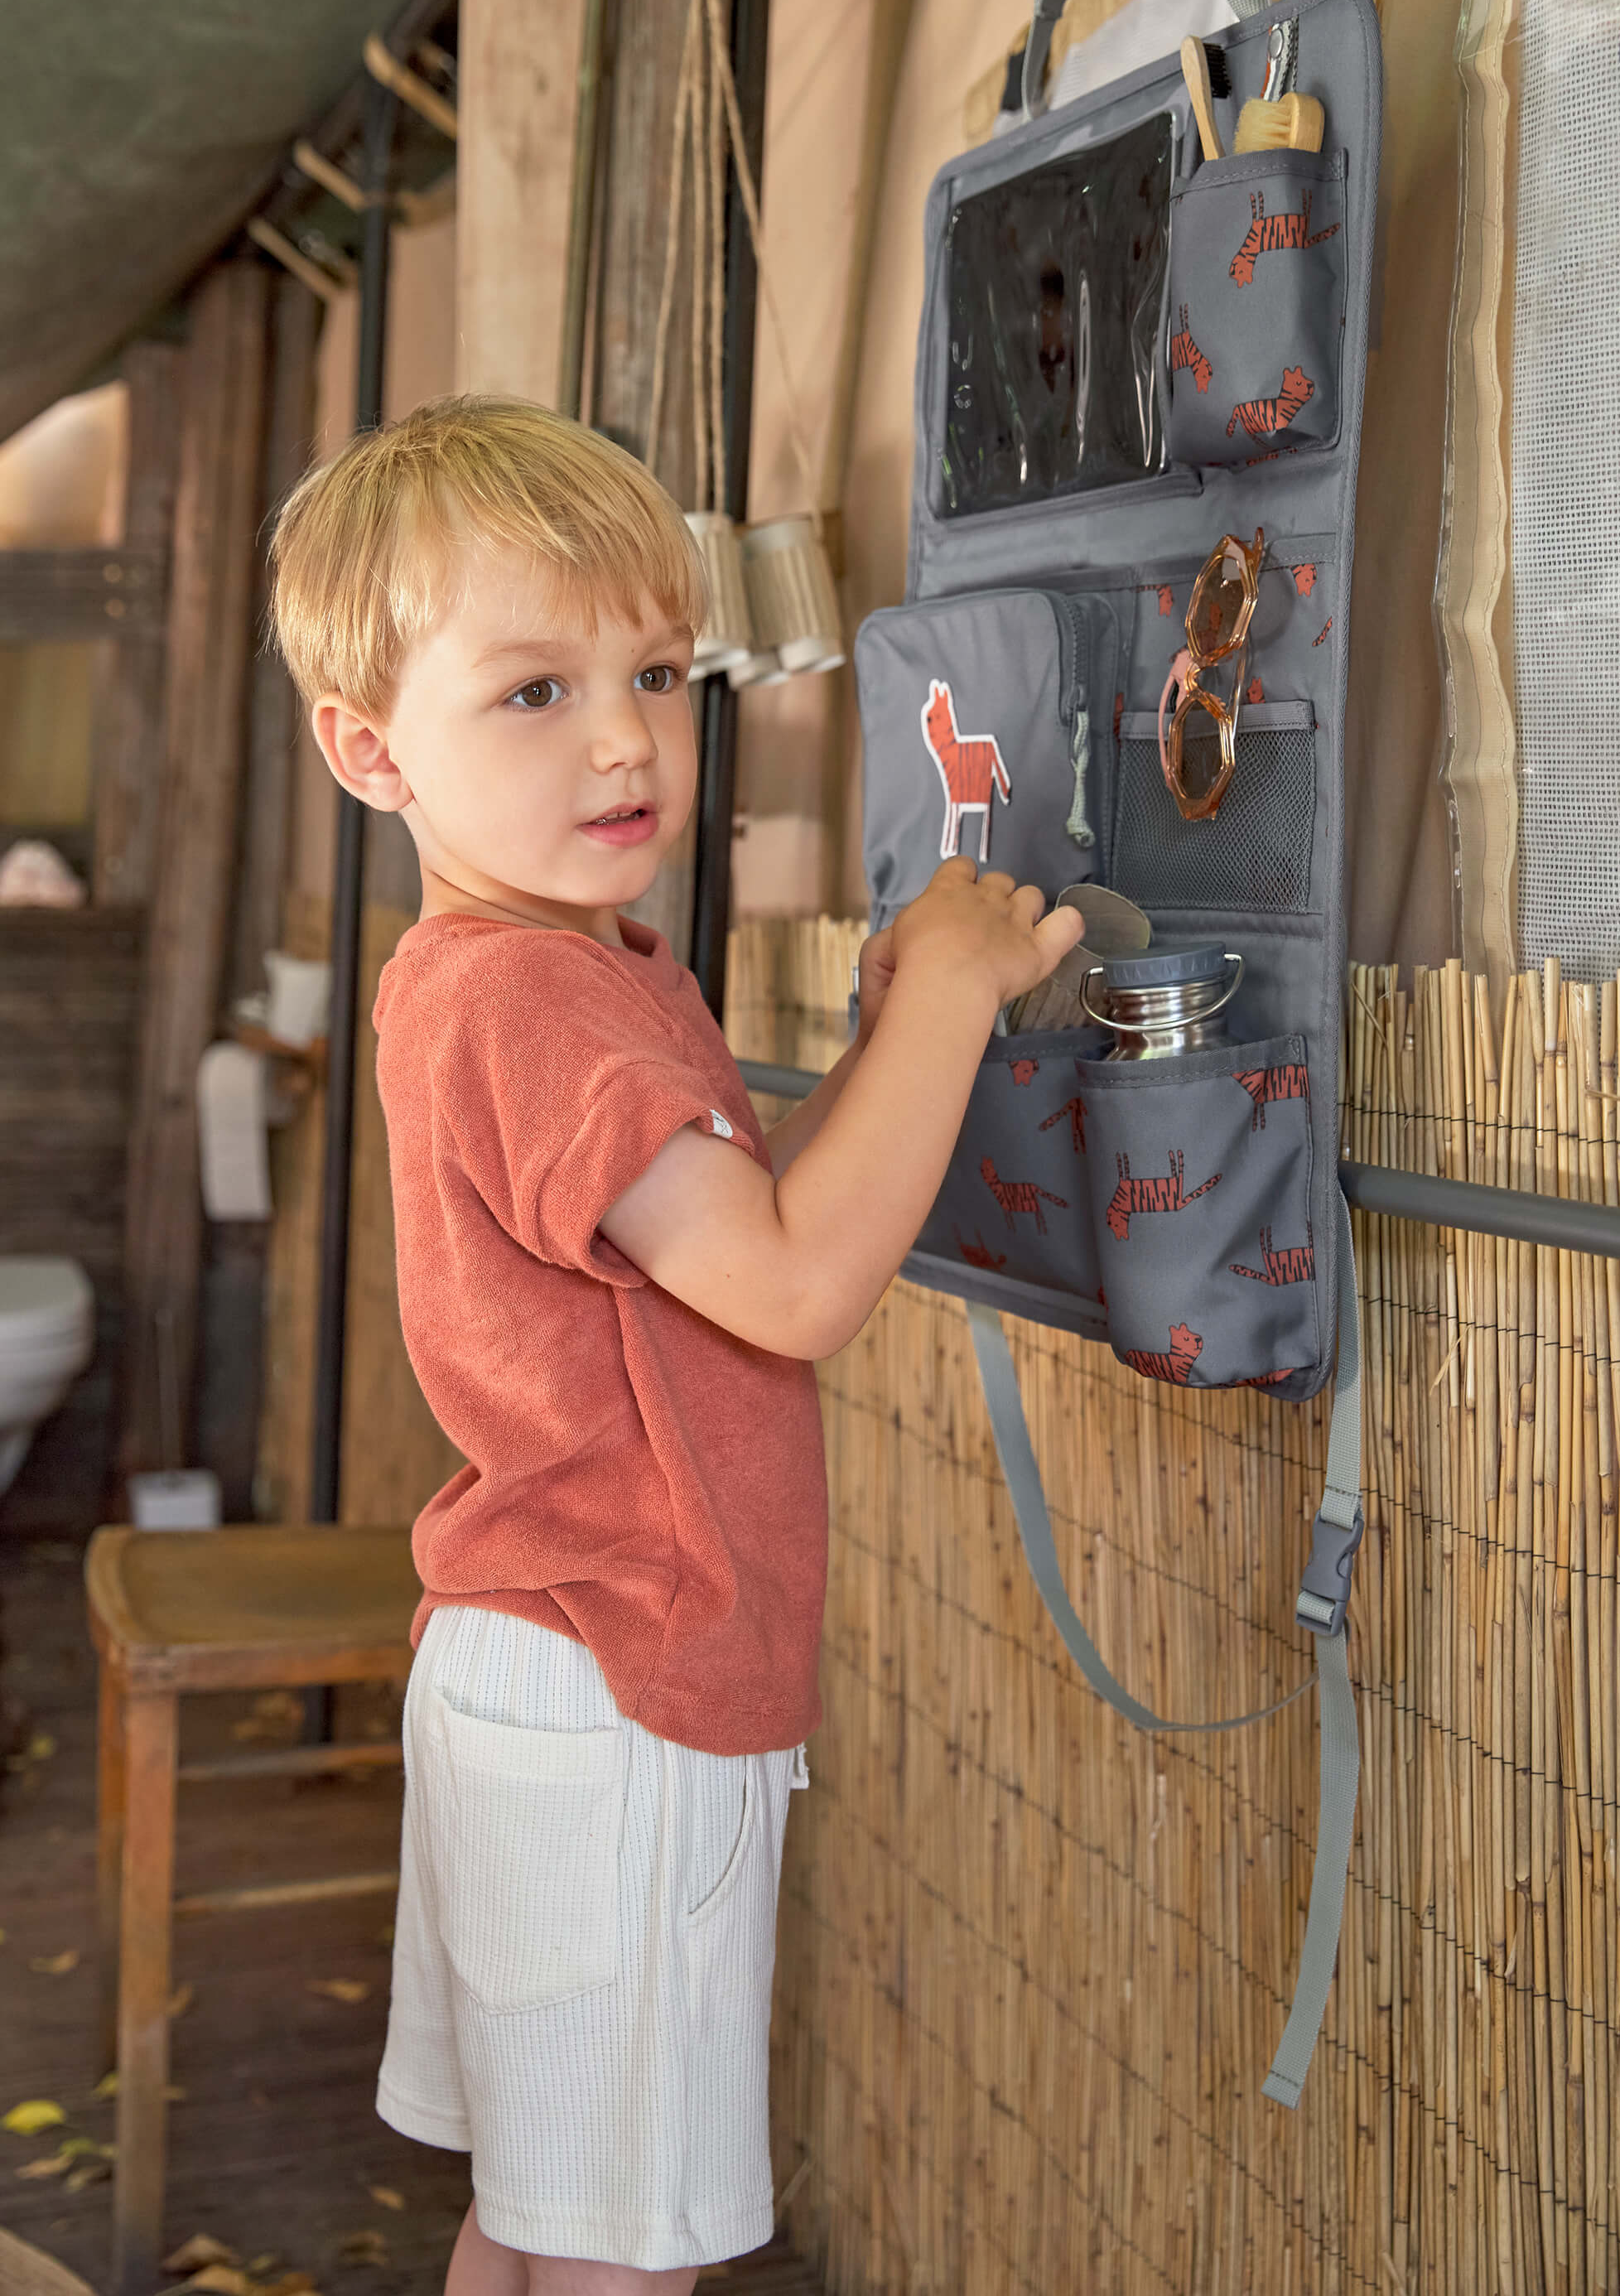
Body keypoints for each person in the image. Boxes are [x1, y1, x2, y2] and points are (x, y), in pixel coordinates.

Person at [269, 395, 1082, 2296]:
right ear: (372, 750)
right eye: (533, 692)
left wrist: (886, 1041)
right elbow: (797, 1289)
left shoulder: (557, 969)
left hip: (538, 1664)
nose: (628, 737)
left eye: (654, 668)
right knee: (622, 2260)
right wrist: (954, 1000)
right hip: (622, 1688)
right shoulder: (539, 1001)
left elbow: (713, 1250)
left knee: (539, 2219)